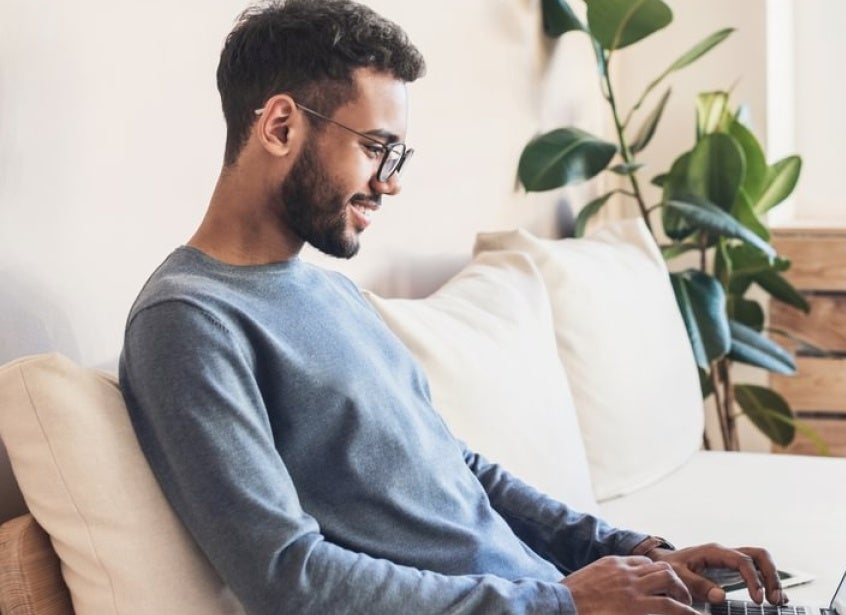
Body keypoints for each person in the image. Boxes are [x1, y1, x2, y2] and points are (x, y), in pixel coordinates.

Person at [118, 1, 788, 613]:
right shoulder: (187, 321)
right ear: (281, 124)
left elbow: (456, 466)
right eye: (376, 147)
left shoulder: (331, 293)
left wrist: (634, 550)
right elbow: (289, 576)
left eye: (397, 153)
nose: (392, 181)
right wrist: (560, 602)